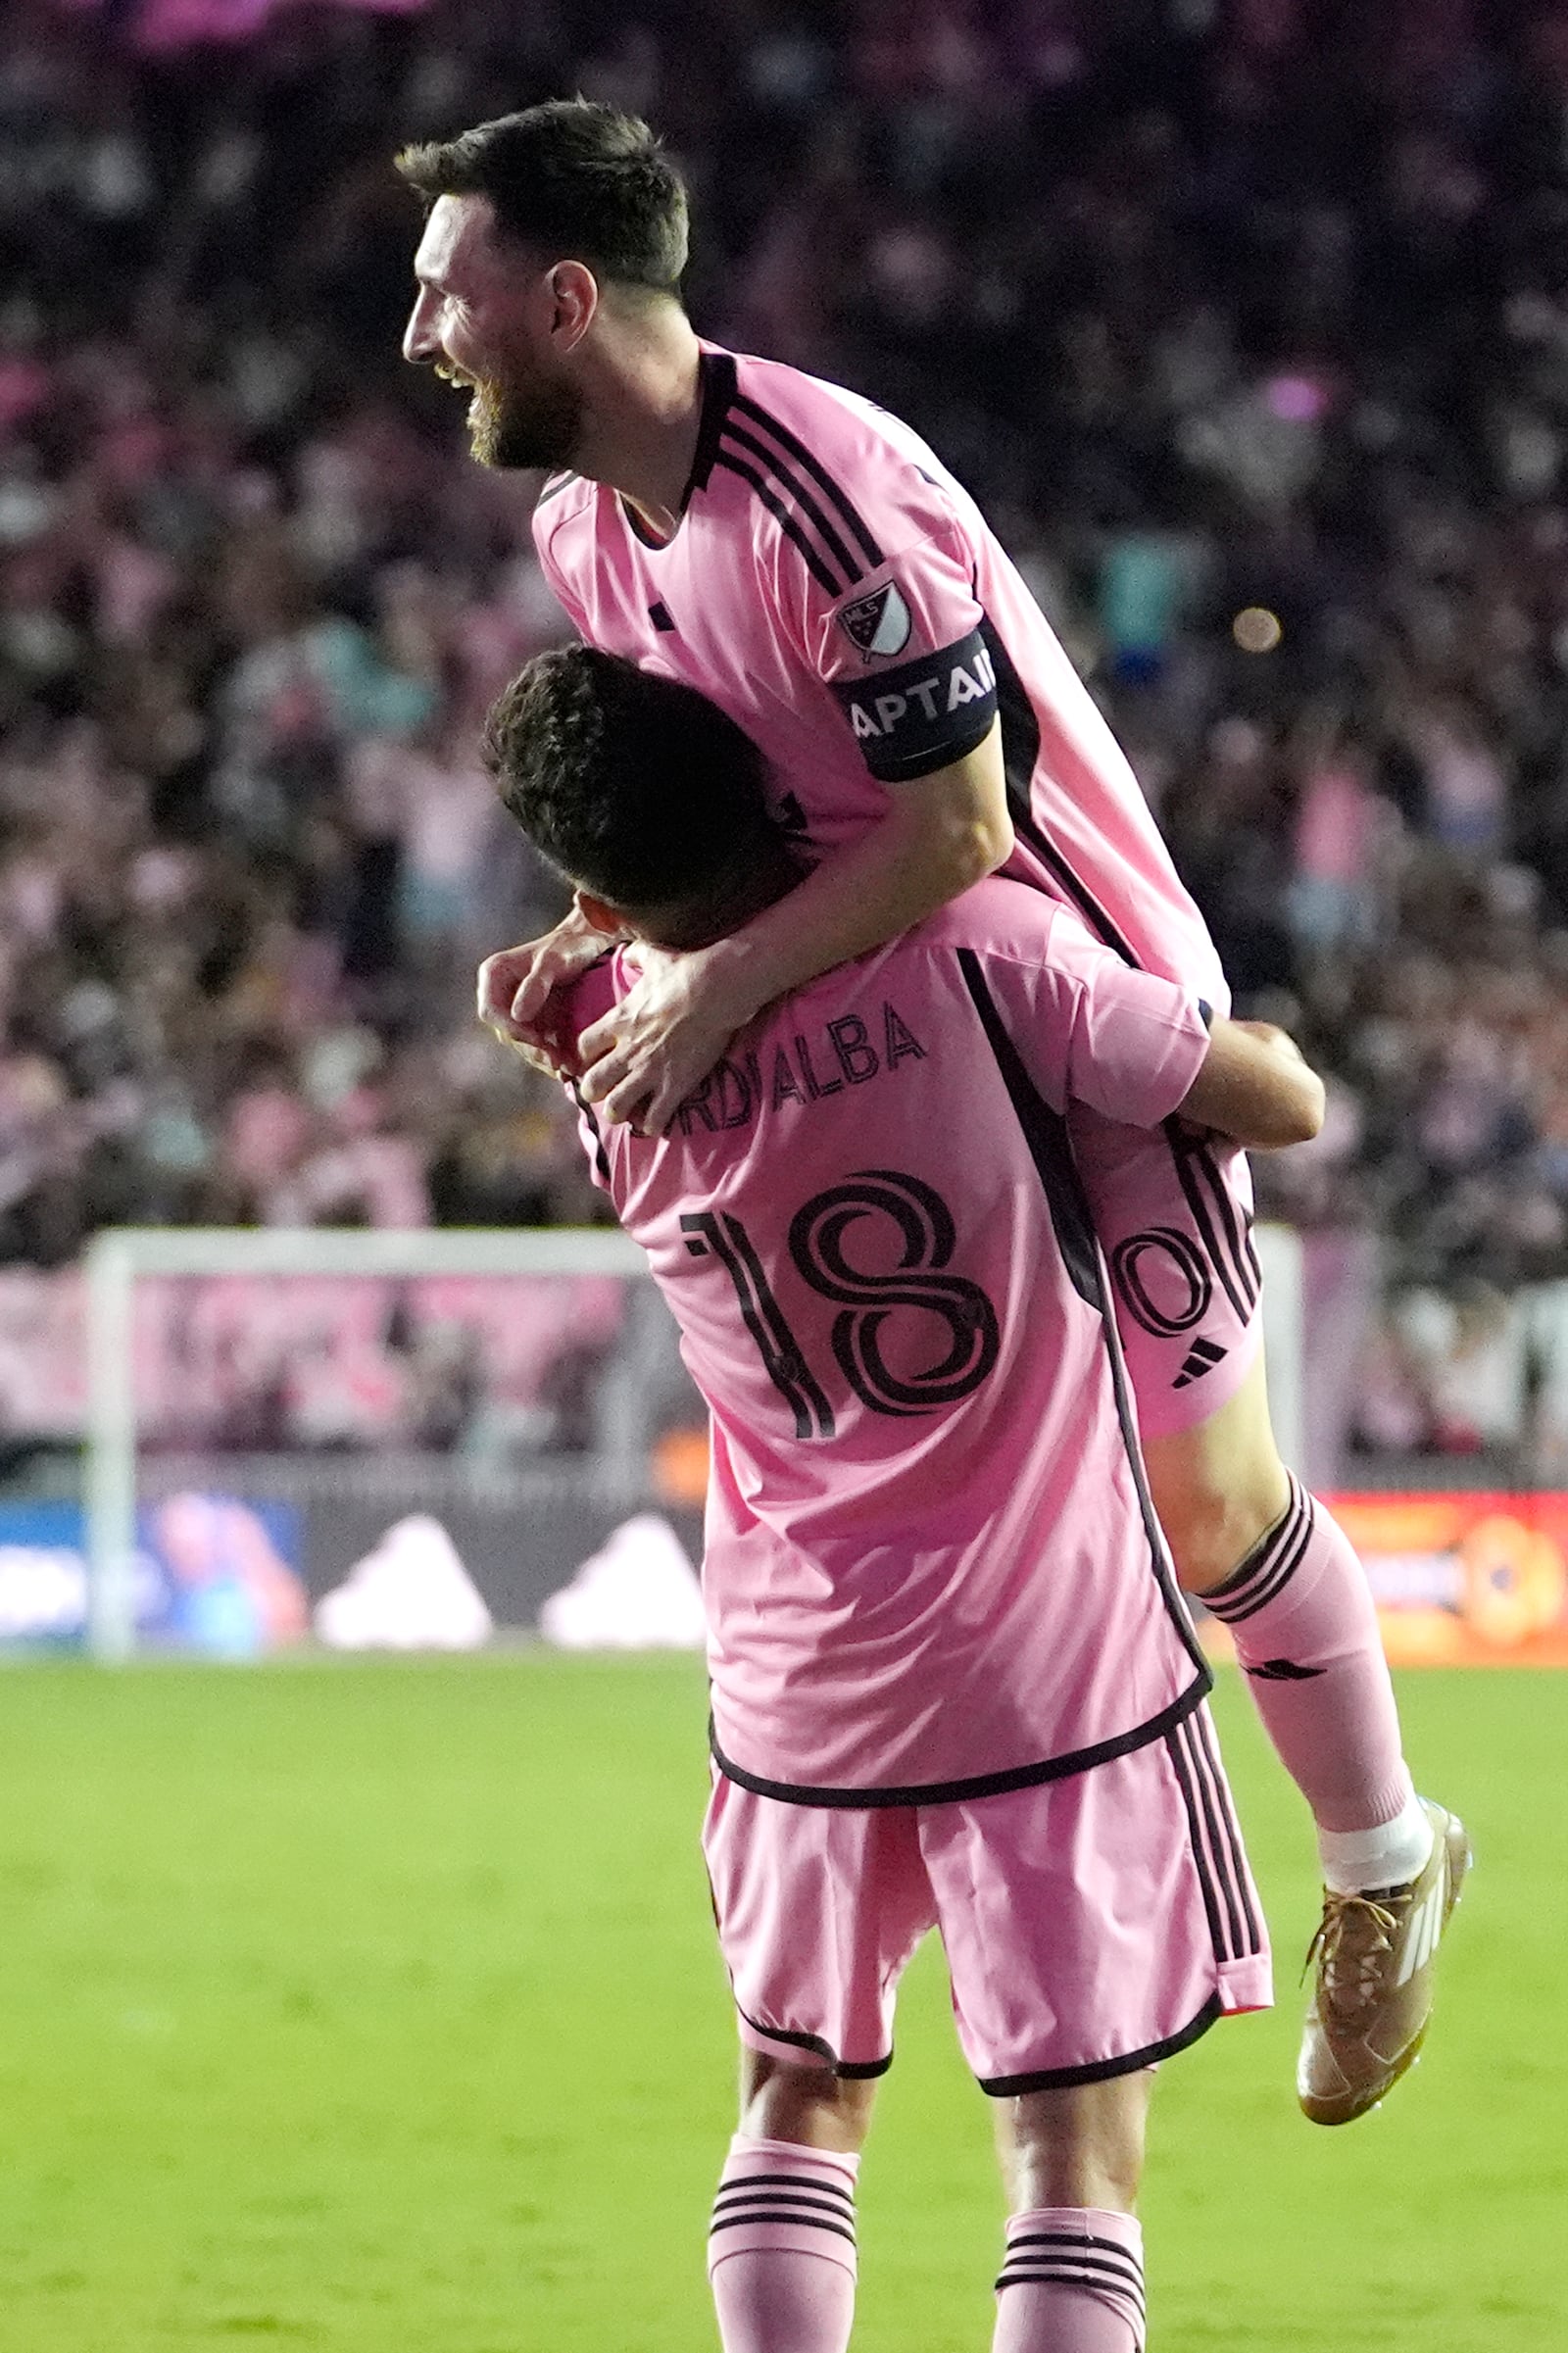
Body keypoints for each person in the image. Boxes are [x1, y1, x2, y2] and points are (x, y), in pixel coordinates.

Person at [397, 99, 1469, 2126]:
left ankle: (1380, 1863)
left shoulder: (834, 501)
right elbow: (708, 822)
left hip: (1065, 1014)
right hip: (873, 1042)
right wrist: (597, 927)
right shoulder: (578, 535)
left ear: (562, 299)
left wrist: (714, 982)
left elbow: (957, 828)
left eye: (444, 290)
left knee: (1204, 1503)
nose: (415, 333)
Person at [483, 642, 1321, 2353]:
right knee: (1072, 2154)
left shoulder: (599, 1062)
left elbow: (566, 968)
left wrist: (586, 940)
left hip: (796, 1669)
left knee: (794, 2096)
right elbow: (1283, 1103)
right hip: (1049, 1655)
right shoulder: (981, 950)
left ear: (591, 885)